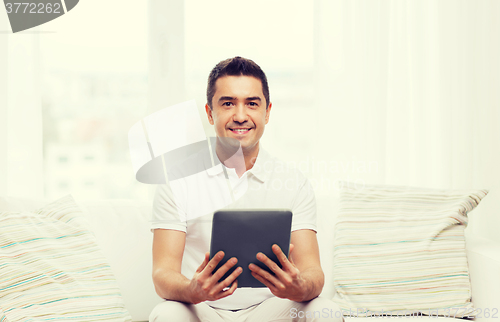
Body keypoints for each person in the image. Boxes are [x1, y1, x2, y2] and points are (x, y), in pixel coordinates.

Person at [149, 57, 343, 321]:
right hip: (203, 309)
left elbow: (313, 273)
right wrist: (193, 290)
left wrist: (299, 287)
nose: (240, 116)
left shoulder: (293, 182)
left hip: (273, 309)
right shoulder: (177, 180)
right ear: (209, 113)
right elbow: (163, 274)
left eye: (252, 103)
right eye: (228, 103)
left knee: (325, 310)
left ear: (267, 112)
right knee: (166, 313)